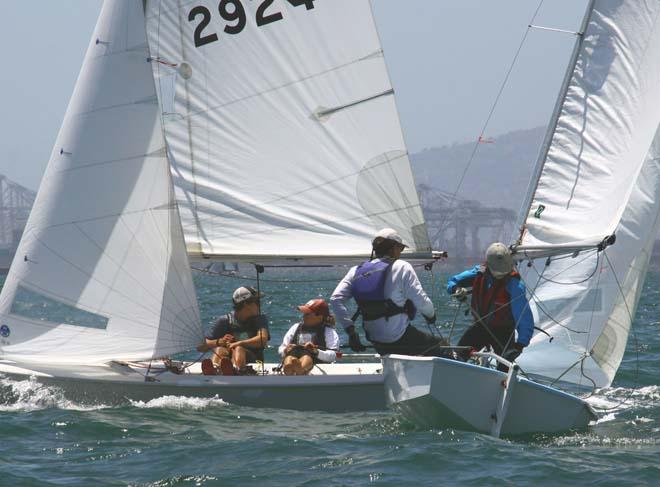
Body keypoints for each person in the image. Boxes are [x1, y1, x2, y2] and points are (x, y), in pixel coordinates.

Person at [331, 228, 447, 357]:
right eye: (401, 248)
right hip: (398, 336)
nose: (400, 253)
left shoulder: (356, 270)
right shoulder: (401, 266)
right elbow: (422, 301)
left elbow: (335, 300)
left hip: (374, 338)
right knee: (443, 346)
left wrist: (351, 332)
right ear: (393, 248)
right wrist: (431, 316)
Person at [447, 242, 534, 371]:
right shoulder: (479, 273)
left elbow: (525, 319)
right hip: (480, 327)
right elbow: (452, 282)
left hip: (503, 332)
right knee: (457, 357)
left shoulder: (515, 286)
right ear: (488, 265)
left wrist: (520, 345)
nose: (501, 273)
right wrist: (456, 289)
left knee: (504, 367)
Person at [197, 286, 270, 375]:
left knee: (239, 349)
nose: (259, 305)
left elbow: (262, 340)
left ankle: (236, 369)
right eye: (257, 302)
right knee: (220, 350)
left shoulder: (260, 320)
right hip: (226, 360)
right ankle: (215, 369)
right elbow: (200, 346)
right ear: (246, 304)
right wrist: (219, 342)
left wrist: (238, 343)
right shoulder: (224, 321)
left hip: (252, 360)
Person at [278, 298, 340, 376]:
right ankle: (291, 369)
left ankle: (300, 369)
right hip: (293, 354)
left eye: (307, 314)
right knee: (289, 359)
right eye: (304, 314)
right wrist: (285, 350)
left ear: (320, 317)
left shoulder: (329, 332)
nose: (304, 316)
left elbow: (332, 355)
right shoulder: (295, 327)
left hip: (313, 360)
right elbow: (281, 348)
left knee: (306, 358)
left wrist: (316, 351)